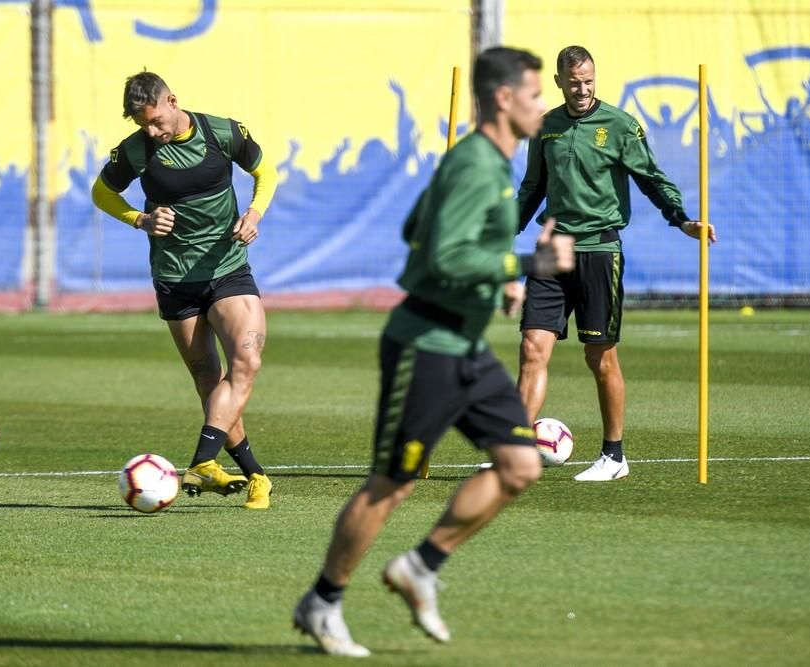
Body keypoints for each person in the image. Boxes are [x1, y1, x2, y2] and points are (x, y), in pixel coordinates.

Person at [292, 47, 575, 657]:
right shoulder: (476, 164)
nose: (541, 104)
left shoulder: (487, 164)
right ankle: (323, 601)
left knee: (520, 465)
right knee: (390, 486)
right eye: (533, 93)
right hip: (425, 345)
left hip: (465, 347)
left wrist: (491, 279)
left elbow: (415, 229)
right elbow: (443, 256)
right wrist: (523, 263)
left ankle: (421, 566)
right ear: (504, 98)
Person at [516, 45, 716, 482]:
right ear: (558, 82)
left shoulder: (621, 125)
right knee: (532, 349)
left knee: (599, 357)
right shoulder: (545, 127)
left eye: (589, 81)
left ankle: (614, 456)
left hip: (599, 251)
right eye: (574, 82)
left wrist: (681, 219)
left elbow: (651, 179)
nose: (583, 89)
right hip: (552, 251)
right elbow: (533, 187)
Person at [91, 71, 277, 509]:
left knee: (247, 360)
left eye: (155, 120)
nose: (151, 131)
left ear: (172, 101)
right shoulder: (136, 151)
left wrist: (254, 212)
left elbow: (265, 170)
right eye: (143, 125)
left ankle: (200, 462)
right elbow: (102, 193)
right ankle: (256, 475)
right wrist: (140, 219)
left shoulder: (222, 132)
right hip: (175, 278)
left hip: (227, 270)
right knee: (208, 381)